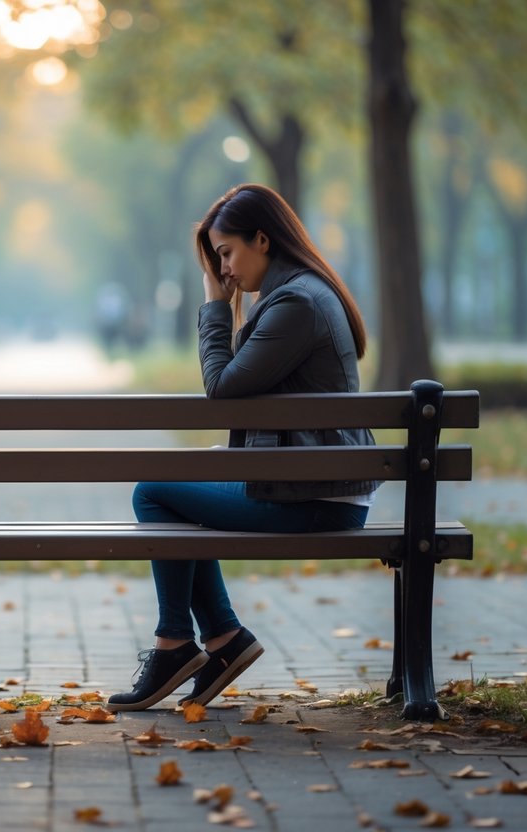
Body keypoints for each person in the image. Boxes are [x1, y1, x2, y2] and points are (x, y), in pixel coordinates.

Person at [108, 183, 379, 712]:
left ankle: (181, 643)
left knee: (154, 493)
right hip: (319, 487)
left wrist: (214, 308)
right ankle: (220, 641)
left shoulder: (295, 302)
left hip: (316, 501)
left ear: (262, 240)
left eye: (227, 253)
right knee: (178, 486)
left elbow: (223, 389)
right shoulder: (298, 294)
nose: (225, 270)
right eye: (217, 261)